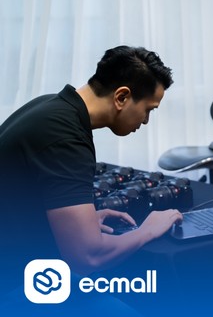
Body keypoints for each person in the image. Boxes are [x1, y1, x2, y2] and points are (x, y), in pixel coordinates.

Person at [0, 46, 183, 296]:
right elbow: (87, 257)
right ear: (121, 97)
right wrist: (148, 230)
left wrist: (81, 221)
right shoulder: (65, 138)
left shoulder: (50, 108)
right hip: (16, 285)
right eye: (148, 109)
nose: (145, 120)